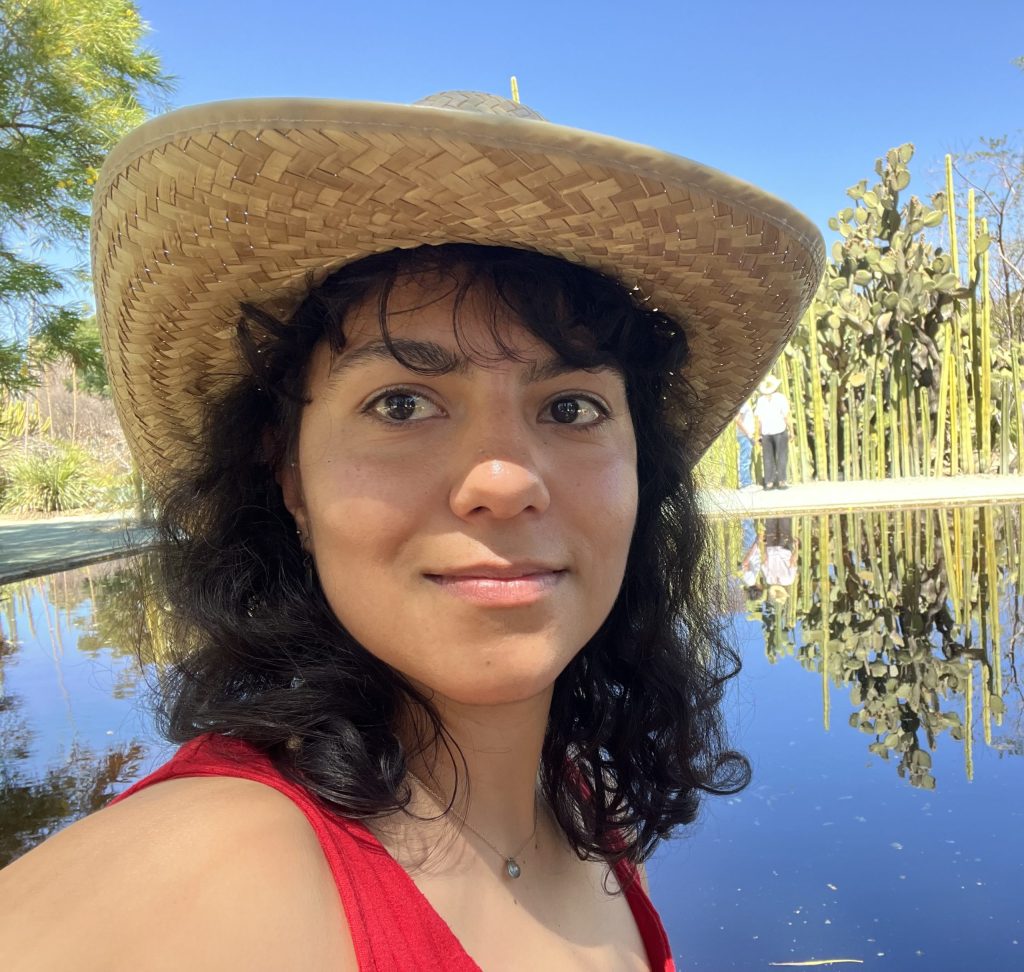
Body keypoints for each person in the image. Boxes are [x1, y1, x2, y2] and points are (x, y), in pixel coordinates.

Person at [0, 90, 823, 969]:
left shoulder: (594, 825)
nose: (505, 481)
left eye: (572, 405)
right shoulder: (194, 891)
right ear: (289, 476)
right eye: (402, 403)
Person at [754, 374, 793, 490]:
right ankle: (781, 481)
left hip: (766, 432)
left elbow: (759, 420)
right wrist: (791, 430)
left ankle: (769, 482)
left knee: (767, 457)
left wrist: (758, 434)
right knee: (781, 456)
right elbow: (786, 416)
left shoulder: (760, 400)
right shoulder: (781, 398)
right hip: (780, 430)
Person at [734, 398, 755, 488]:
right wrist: (748, 433)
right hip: (745, 436)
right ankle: (745, 483)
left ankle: (747, 482)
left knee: (746, 459)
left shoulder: (744, 402)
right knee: (745, 460)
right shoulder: (743, 403)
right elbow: (737, 420)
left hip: (745, 435)